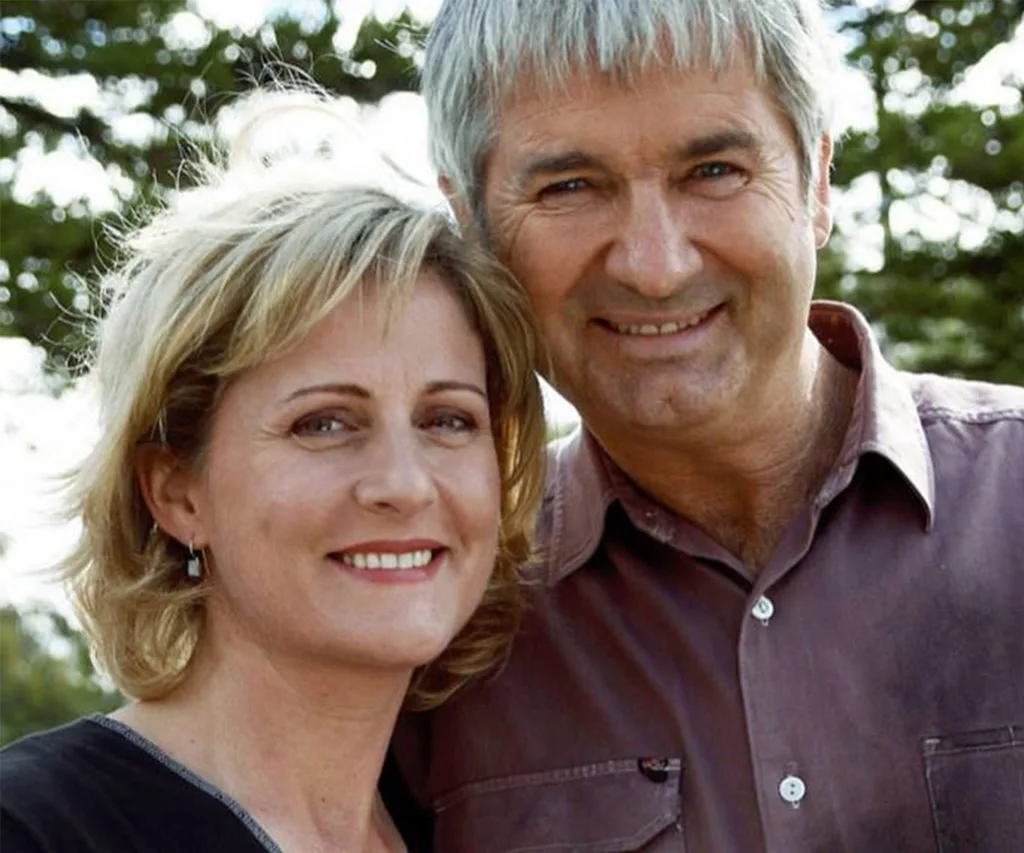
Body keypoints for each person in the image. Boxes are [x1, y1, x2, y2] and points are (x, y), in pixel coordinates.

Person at [387, 1, 1024, 851]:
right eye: (569, 187)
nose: (655, 267)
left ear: (817, 182)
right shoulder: (434, 620)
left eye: (714, 170)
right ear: (473, 227)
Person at [0, 92, 547, 853]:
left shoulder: (478, 824)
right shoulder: (34, 827)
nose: (404, 484)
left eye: (447, 420)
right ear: (176, 492)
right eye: (324, 423)